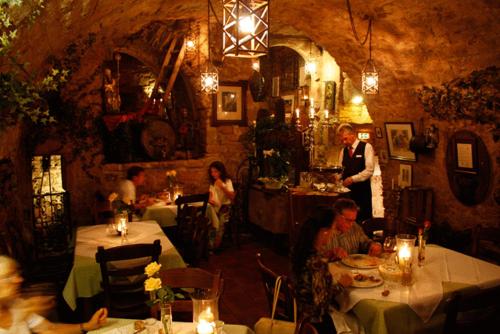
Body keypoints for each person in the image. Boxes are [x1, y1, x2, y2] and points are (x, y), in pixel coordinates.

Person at [0, 256, 107, 333]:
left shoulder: (15, 304)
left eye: (16, 274)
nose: (19, 279)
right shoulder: (22, 309)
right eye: (9, 276)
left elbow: (49, 329)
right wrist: (22, 315)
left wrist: (87, 326)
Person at [291, 207, 353, 332]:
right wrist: (341, 285)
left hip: (301, 314)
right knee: (358, 324)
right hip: (317, 324)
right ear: (324, 231)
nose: (334, 232)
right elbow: (320, 304)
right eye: (334, 228)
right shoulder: (316, 263)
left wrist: (326, 257)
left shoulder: (301, 250)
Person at [337, 123, 374, 223]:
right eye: (342, 140)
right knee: (347, 221)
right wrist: (337, 177)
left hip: (362, 192)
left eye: (345, 139)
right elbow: (341, 170)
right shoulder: (343, 151)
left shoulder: (366, 147)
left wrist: (352, 179)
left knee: (362, 220)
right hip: (347, 195)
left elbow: (369, 170)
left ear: (352, 135)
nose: (344, 142)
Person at [208, 161, 235, 249]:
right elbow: (210, 195)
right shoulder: (213, 183)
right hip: (214, 207)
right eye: (212, 172)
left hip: (225, 207)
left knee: (219, 225)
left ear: (221, 171)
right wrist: (210, 199)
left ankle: (214, 246)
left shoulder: (227, 181)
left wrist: (222, 187)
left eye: (215, 171)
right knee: (209, 222)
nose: (213, 174)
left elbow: (232, 197)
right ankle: (209, 244)